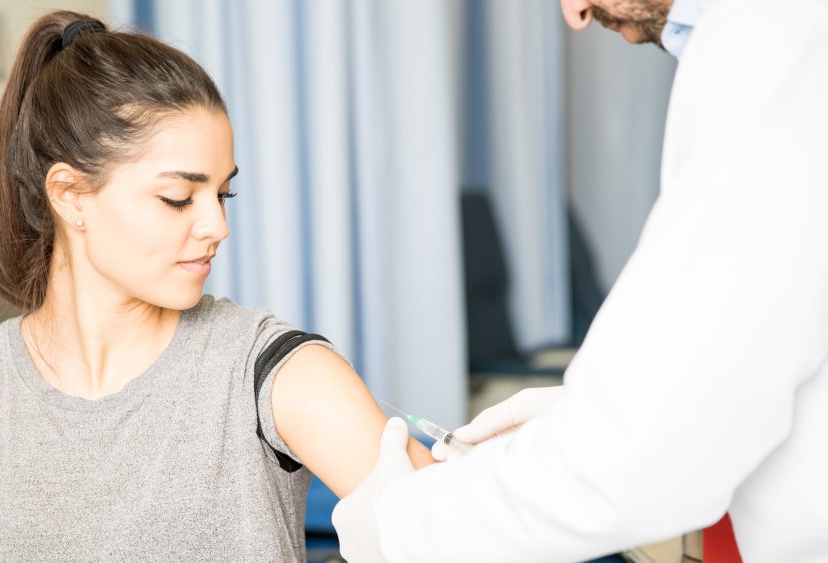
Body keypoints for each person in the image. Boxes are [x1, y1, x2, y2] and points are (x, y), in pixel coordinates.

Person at [0, 11, 434, 562]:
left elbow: (457, 528)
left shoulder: (270, 371)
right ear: (69, 194)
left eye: (223, 194)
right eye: (178, 198)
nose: (217, 226)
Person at [332, 0, 828, 561]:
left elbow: (643, 461)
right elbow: (740, 355)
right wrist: (584, 419)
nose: (575, 14)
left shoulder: (773, 44)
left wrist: (404, 526)